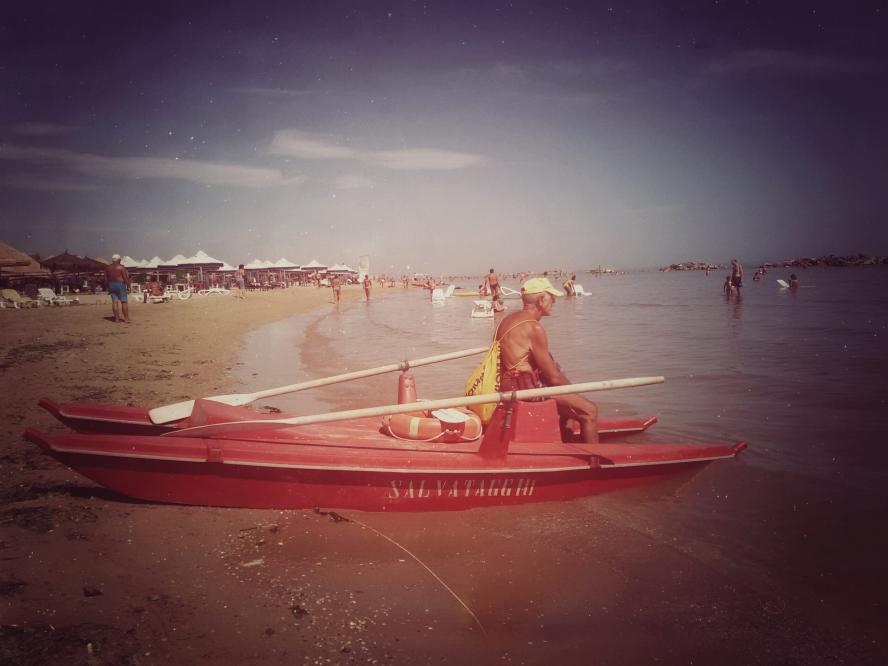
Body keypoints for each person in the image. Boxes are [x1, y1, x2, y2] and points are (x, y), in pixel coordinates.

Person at [496, 277, 598, 444]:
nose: (555, 301)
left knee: (570, 399)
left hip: (511, 385)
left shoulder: (508, 320)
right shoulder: (534, 328)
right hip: (526, 391)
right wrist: (576, 393)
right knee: (590, 411)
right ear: (541, 300)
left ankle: (562, 443)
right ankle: (595, 465)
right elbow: (554, 378)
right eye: (552, 297)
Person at [104, 254, 131, 323]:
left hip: (111, 284)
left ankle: (116, 319)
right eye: (120, 260)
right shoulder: (121, 267)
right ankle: (126, 319)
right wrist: (128, 287)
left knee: (114, 302)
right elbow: (125, 278)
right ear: (119, 260)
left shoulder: (107, 268)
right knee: (124, 302)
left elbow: (105, 279)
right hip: (120, 284)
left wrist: (107, 287)